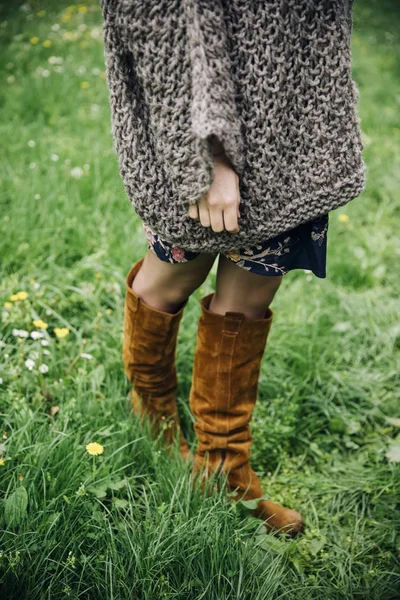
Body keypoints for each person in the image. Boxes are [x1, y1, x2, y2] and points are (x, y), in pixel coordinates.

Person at [100, 0, 366, 537]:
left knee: (247, 300)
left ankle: (224, 467)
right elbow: (156, 21)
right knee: (175, 273)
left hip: (288, 143)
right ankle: (151, 414)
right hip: (208, 145)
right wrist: (203, 159)